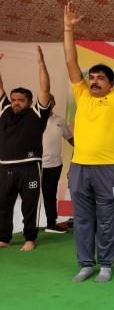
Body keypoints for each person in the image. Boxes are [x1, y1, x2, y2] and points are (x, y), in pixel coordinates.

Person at [64, 1, 114, 282]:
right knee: (82, 220)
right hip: (79, 167)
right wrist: (68, 29)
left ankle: (105, 264)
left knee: (106, 221)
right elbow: (70, 61)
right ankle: (85, 264)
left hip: (107, 169)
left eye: (99, 78)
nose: (92, 81)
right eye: (90, 78)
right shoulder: (81, 95)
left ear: (110, 83)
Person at [0, 46, 51, 251]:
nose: (15, 103)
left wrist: (41, 64)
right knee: (3, 205)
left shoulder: (37, 113)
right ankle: (4, 238)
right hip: (4, 166)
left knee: (29, 205)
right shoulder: (4, 110)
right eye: (13, 100)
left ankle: (30, 238)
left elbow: (45, 90)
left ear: (29, 102)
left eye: (20, 100)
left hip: (29, 166)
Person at [42, 95, 74, 234]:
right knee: (29, 197)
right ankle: (28, 226)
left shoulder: (59, 120)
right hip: (33, 166)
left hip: (54, 165)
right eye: (44, 100)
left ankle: (51, 224)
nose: (47, 102)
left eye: (50, 100)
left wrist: (82, 150)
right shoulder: (30, 119)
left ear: (54, 102)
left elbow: (70, 138)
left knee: (50, 194)